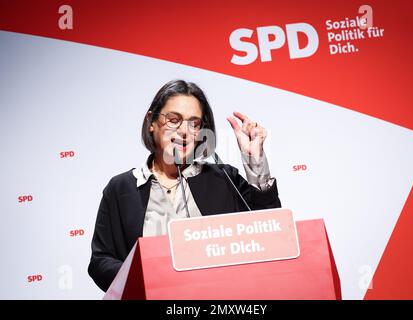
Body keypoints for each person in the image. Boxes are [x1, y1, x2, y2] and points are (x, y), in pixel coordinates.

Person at [88, 79, 281, 292]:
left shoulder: (224, 178)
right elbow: (101, 262)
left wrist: (255, 159)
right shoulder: (121, 188)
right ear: (151, 122)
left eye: (194, 123)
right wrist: (144, 275)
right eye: (173, 120)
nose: (184, 131)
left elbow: (270, 232)